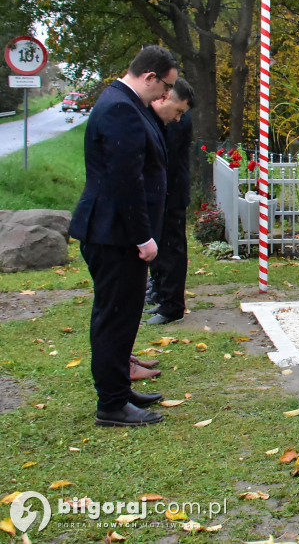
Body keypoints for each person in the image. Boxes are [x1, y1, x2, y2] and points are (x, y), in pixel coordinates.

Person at [70, 45, 178, 427]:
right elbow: (124, 181)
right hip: (115, 234)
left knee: (124, 315)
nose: (165, 97)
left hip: (116, 232)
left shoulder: (125, 103)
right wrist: (143, 237)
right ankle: (112, 404)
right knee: (114, 318)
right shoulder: (120, 107)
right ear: (150, 76)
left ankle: (120, 388)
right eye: (165, 87)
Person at [144, 78, 195, 326]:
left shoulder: (177, 120)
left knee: (171, 250)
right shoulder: (166, 116)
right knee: (160, 248)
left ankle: (171, 304)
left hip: (171, 193)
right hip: (163, 193)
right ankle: (160, 291)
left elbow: (165, 157)